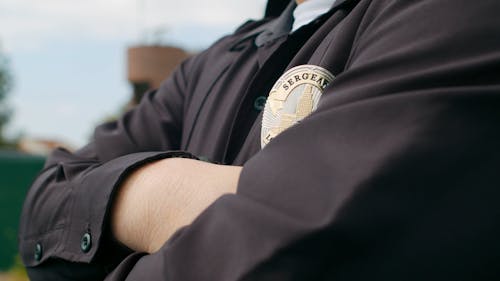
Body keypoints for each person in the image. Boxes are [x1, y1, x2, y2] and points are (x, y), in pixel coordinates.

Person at [19, 0, 500, 280]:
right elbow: (42, 212)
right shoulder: (213, 62)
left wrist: (110, 224)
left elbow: (299, 256)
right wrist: (161, 190)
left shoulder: (457, 15)